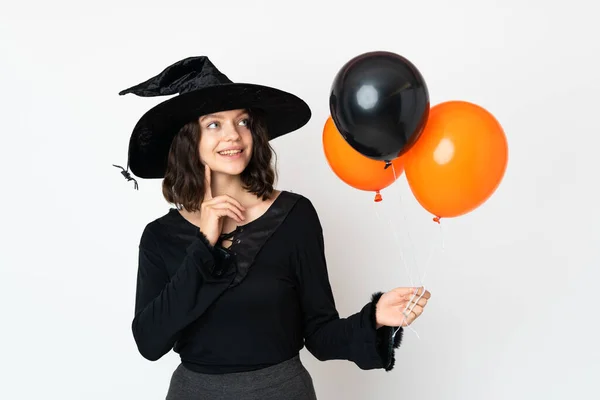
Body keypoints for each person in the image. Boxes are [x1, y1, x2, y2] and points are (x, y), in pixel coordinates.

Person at [116, 56, 431, 400]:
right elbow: (149, 341)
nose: (233, 135)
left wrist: (375, 319)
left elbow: (321, 335)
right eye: (214, 125)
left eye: (243, 121)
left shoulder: (294, 216)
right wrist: (203, 245)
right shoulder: (160, 237)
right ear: (188, 140)